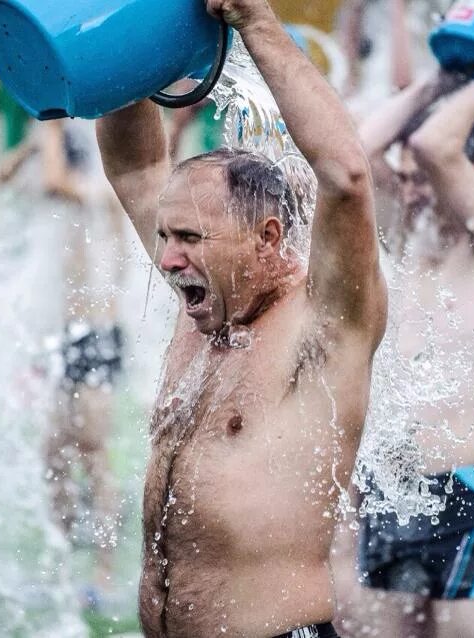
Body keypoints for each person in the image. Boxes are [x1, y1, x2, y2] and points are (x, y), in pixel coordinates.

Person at [95, 0, 387, 635]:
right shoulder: (205, 295)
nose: (168, 260)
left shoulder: (324, 325)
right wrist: (122, 36)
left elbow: (346, 175)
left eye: (191, 238)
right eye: (166, 236)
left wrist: (254, 21)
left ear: (267, 237)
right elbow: (135, 165)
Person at [332, 12, 474, 634]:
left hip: (463, 490)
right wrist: (433, 83)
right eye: (404, 180)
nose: (412, 190)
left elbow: (435, 148)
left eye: (424, 181)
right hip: (385, 489)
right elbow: (350, 157)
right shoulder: (406, 246)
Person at [0, 119, 127, 610]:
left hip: (97, 333)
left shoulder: (97, 191)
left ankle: (105, 573)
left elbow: (52, 179)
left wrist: (48, 125)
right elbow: (5, 177)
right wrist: (33, 142)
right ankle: (59, 566)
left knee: (92, 452)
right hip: (62, 335)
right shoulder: (68, 190)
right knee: (53, 451)